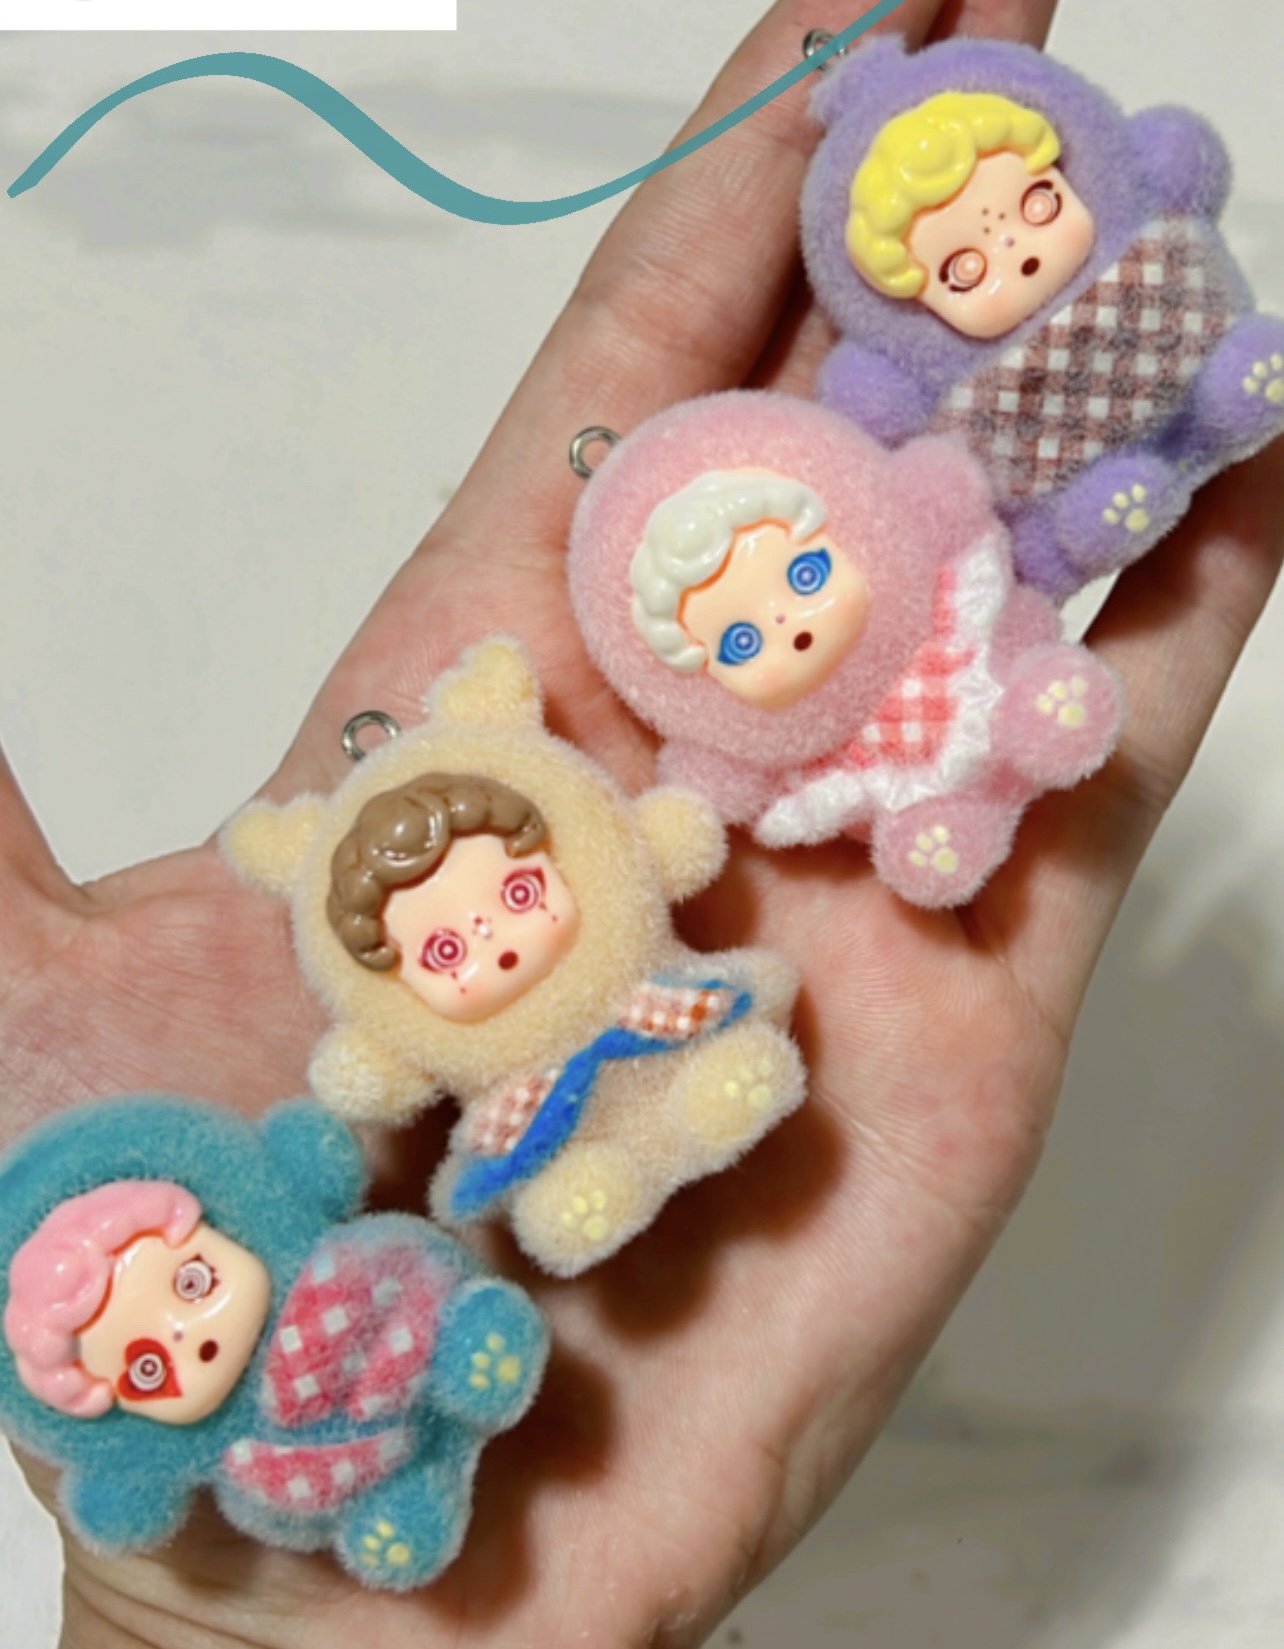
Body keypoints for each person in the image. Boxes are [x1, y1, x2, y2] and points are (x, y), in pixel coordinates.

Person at [1, 0, 1280, 1642]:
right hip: (560, 1120)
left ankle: (1023, 693)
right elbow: (349, 1106)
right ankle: (557, 1245)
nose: (493, 944)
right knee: (568, 1175)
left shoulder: (908, 542)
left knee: (939, 767)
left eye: (801, 575)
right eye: (449, 954)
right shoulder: (413, 1081)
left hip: (822, 829)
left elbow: (709, 791)